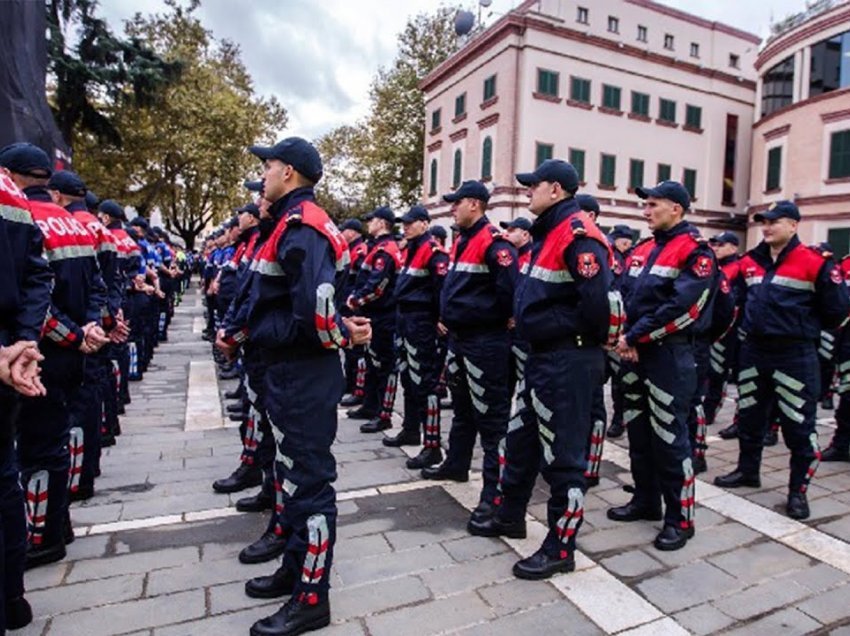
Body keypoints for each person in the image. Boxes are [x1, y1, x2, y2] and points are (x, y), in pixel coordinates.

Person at [236, 137, 371, 636]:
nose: (263, 175)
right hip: (288, 366)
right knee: (292, 478)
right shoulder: (291, 224)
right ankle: (295, 569)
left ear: (288, 172)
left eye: (268, 166)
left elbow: (314, 310)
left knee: (309, 486)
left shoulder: (304, 226)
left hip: (301, 371)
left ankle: (312, 597)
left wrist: (340, 332)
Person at [469, 160, 617, 580]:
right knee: (520, 443)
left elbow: (598, 309)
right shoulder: (548, 233)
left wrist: (554, 330)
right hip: (541, 358)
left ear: (555, 189)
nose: (528, 192)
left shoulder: (578, 237)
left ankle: (560, 547)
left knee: (564, 460)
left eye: (533, 186)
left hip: (567, 360)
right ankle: (509, 516)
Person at [1, 143, 109, 569]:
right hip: (71, 351)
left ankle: (41, 536)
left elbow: (37, 293)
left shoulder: (27, 217)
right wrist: (88, 332)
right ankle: (57, 522)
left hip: (36, 354)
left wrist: (66, 335)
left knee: (37, 450)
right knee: (56, 438)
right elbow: (98, 286)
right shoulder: (80, 226)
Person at [714, 201, 850, 520]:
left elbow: (838, 309)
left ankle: (797, 493)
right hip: (754, 351)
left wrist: (803, 328)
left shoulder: (815, 262)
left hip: (795, 355)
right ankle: (747, 471)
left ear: (793, 225)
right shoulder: (751, 262)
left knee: (799, 427)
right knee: (749, 416)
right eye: (764, 221)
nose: (767, 226)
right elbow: (739, 301)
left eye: (776, 221)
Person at [608, 180, 715, 551]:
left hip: (668, 355)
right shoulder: (644, 248)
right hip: (635, 353)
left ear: (677, 209)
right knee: (639, 432)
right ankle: (646, 500)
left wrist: (637, 337)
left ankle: (680, 518)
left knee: (670, 439)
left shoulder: (696, 252)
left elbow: (685, 307)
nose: (646, 210)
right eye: (646, 204)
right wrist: (626, 336)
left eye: (654, 204)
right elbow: (622, 293)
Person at [422, 180, 518, 528]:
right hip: (460, 341)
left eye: (456, 203)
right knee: (462, 411)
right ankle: (456, 464)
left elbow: (509, 292)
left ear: (474, 205)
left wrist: (487, 321)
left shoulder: (495, 244)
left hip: (485, 344)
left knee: (492, 423)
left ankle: (494, 496)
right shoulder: (465, 240)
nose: (451, 208)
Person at [0, 168, 52, 632]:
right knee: (6, 479)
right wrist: (21, 343)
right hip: (17, 357)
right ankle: (13, 598)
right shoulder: (13, 198)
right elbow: (39, 277)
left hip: (13, 358)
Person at [383, 205, 448, 470]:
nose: (405, 227)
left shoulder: (433, 253)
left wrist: (441, 321)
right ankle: (410, 429)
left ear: (424, 224)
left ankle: (432, 445)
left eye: (410, 223)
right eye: (404, 223)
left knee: (426, 385)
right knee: (408, 380)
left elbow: (442, 291)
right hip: (405, 320)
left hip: (422, 323)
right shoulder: (411, 250)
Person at [345, 207, 401, 433]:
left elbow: (378, 286)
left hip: (383, 314)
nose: (369, 223)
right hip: (373, 313)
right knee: (370, 362)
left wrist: (356, 300)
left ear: (382, 223)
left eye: (372, 220)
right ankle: (370, 405)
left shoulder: (386, 250)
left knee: (384, 367)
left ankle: (384, 414)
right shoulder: (377, 247)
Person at [604, 224, 635, 440]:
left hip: (623, 329)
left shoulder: (634, 259)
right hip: (604, 327)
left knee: (620, 380)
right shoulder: (607, 255)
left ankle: (619, 419)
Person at [338, 219, 369, 407]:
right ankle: (349, 385)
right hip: (346, 306)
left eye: (344, 230)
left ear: (352, 232)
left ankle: (357, 388)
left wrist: (355, 301)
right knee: (349, 351)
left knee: (356, 353)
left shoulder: (360, 252)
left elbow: (361, 281)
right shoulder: (350, 250)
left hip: (354, 307)